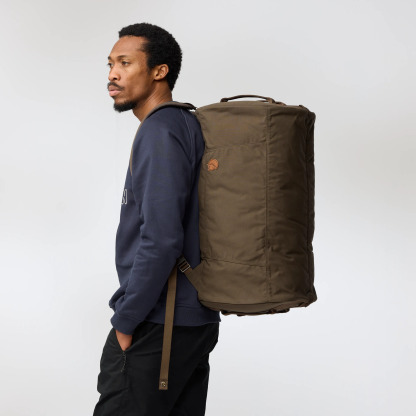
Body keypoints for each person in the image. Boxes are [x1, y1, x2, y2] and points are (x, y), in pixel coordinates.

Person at [93, 23, 220, 416]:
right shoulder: (187, 123)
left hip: (158, 322)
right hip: (193, 320)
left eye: (125, 63)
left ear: (159, 71)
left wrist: (126, 320)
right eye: (110, 64)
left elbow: (162, 238)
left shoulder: (160, 130)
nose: (113, 74)